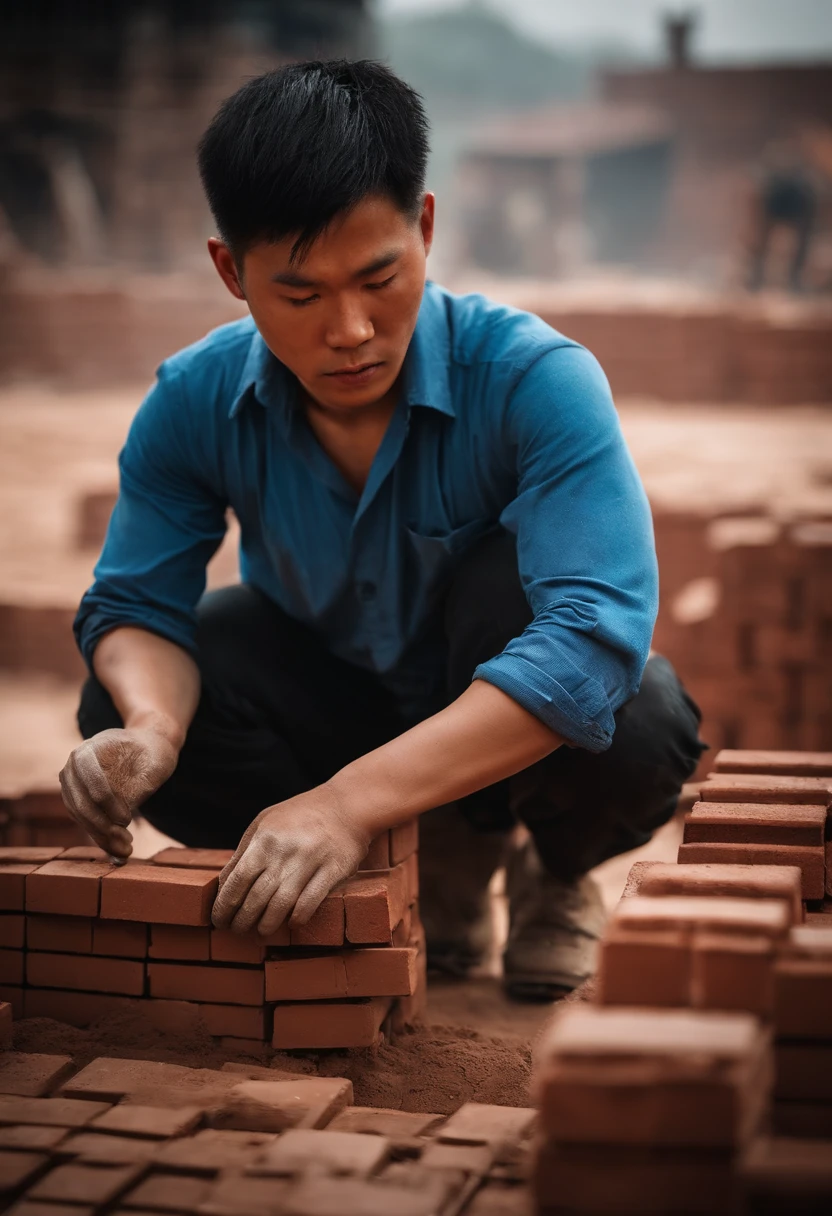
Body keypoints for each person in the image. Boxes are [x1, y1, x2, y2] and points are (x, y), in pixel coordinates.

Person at [61, 61, 704, 1000]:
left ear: (427, 228)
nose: (353, 329)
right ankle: (409, 864)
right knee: (128, 695)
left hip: (496, 722)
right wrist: (153, 730)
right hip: (329, 702)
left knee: (638, 715)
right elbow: (133, 601)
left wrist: (346, 804)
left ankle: (550, 876)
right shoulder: (193, 399)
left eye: (379, 277)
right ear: (231, 272)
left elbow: (590, 640)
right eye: (301, 294)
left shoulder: (536, 378)